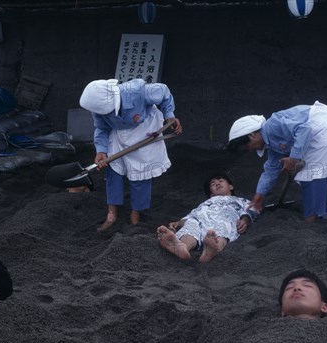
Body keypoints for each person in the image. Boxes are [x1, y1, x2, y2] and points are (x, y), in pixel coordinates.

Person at [79, 78, 182, 231]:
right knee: (113, 169)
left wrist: (169, 114)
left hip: (144, 127)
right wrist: (101, 150)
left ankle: (136, 212)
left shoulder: (137, 91)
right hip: (119, 132)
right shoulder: (98, 110)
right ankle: (112, 213)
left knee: (141, 172)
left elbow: (164, 92)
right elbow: (101, 128)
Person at [226, 102, 327, 223]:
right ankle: (321, 213)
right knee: (319, 172)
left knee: (311, 174)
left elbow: (304, 129)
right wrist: (259, 196)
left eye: (247, 147)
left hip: (325, 125)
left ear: (252, 135)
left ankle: (311, 219)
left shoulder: (272, 126)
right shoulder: (271, 145)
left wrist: (293, 158)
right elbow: (270, 171)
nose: (251, 149)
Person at [157, 172, 258, 263]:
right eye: (213, 184)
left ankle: (211, 250)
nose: (217, 184)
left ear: (231, 186)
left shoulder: (239, 200)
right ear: (211, 194)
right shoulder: (205, 203)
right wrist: (178, 222)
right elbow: (192, 214)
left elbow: (253, 208)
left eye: (221, 181)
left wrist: (245, 219)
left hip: (224, 218)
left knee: (222, 229)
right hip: (200, 219)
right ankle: (182, 247)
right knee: (190, 227)